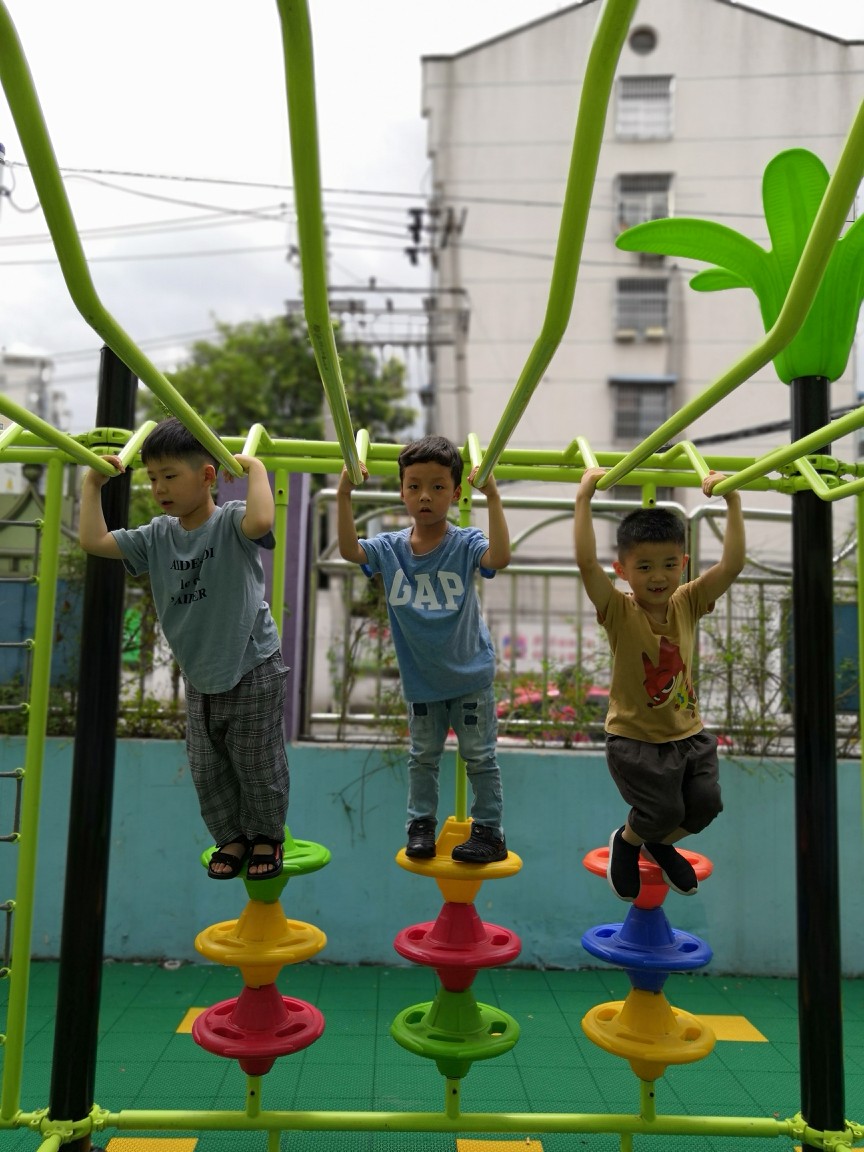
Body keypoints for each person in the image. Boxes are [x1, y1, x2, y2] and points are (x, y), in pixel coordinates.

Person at [78, 417, 290, 881]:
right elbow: (94, 541)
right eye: (153, 477)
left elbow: (262, 520)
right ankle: (232, 836)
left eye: (170, 476)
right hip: (199, 671)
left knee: (255, 761)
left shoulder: (231, 521)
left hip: (252, 663)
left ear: (207, 475)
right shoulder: (157, 535)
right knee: (206, 767)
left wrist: (255, 468)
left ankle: (266, 836)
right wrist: (92, 484)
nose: (159, 488)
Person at [337, 435, 511, 863]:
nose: (425, 496)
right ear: (402, 492)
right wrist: (343, 494)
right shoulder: (390, 548)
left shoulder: (465, 543)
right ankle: (420, 827)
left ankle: (489, 832)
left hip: (469, 676)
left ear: (455, 493)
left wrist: (492, 497)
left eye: (437, 487)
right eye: (414, 486)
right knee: (422, 758)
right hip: (422, 682)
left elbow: (499, 558)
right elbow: (349, 549)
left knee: (480, 757)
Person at [574, 467, 745, 902]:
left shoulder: (688, 600)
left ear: (683, 565)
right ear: (622, 570)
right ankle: (628, 840)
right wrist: (584, 499)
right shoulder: (618, 609)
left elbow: (732, 565)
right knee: (662, 810)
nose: (658, 576)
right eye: (645, 566)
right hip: (635, 739)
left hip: (688, 736)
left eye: (669, 565)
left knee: (706, 805)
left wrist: (732, 500)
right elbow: (586, 564)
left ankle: (656, 843)